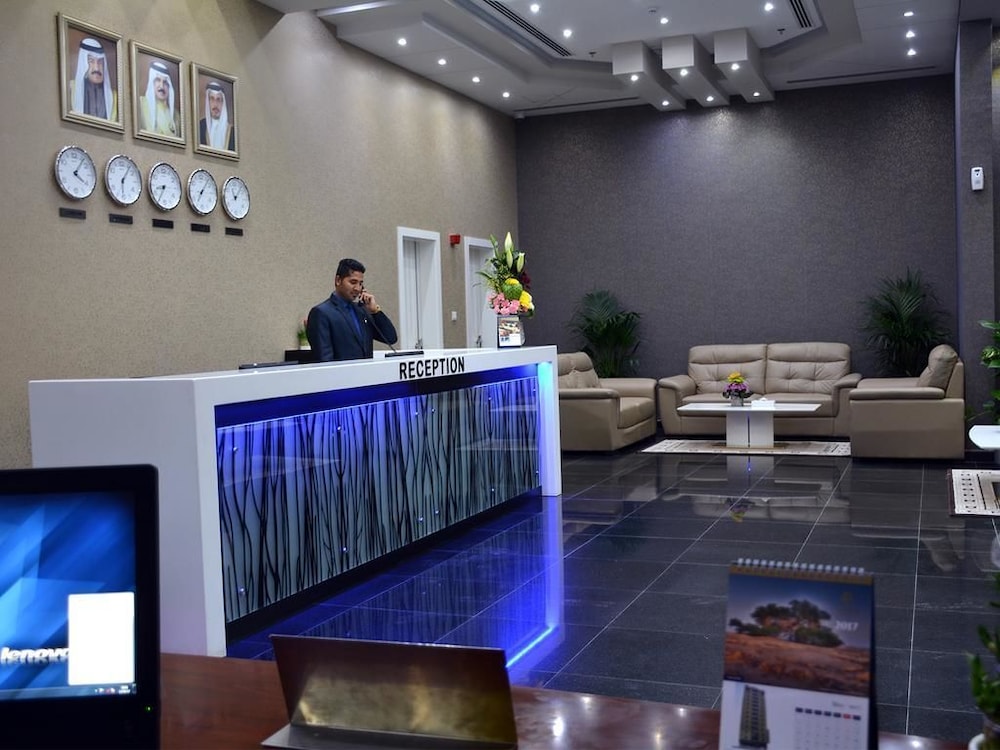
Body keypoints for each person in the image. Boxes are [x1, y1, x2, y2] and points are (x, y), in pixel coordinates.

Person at [306, 258, 398, 361]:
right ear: (338, 280)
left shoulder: (362, 311)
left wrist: (375, 311)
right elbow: (324, 359)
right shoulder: (322, 313)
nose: (357, 288)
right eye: (353, 282)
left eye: (360, 283)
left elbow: (391, 338)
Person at [70, 37, 117, 120]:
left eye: (100, 62)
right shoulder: (70, 90)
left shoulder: (115, 97)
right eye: (91, 61)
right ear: (83, 63)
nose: (96, 68)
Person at [139, 60, 178, 136]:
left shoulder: (176, 116)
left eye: (165, 82)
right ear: (152, 82)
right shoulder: (140, 104)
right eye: (158, 80)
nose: (161, 86)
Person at [198, 80, 236, 151]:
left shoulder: (232, 132)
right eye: (212, 99)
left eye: (218, 100)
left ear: (223, 103)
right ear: (208, 102)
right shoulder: (200, 127)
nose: (215, 104)